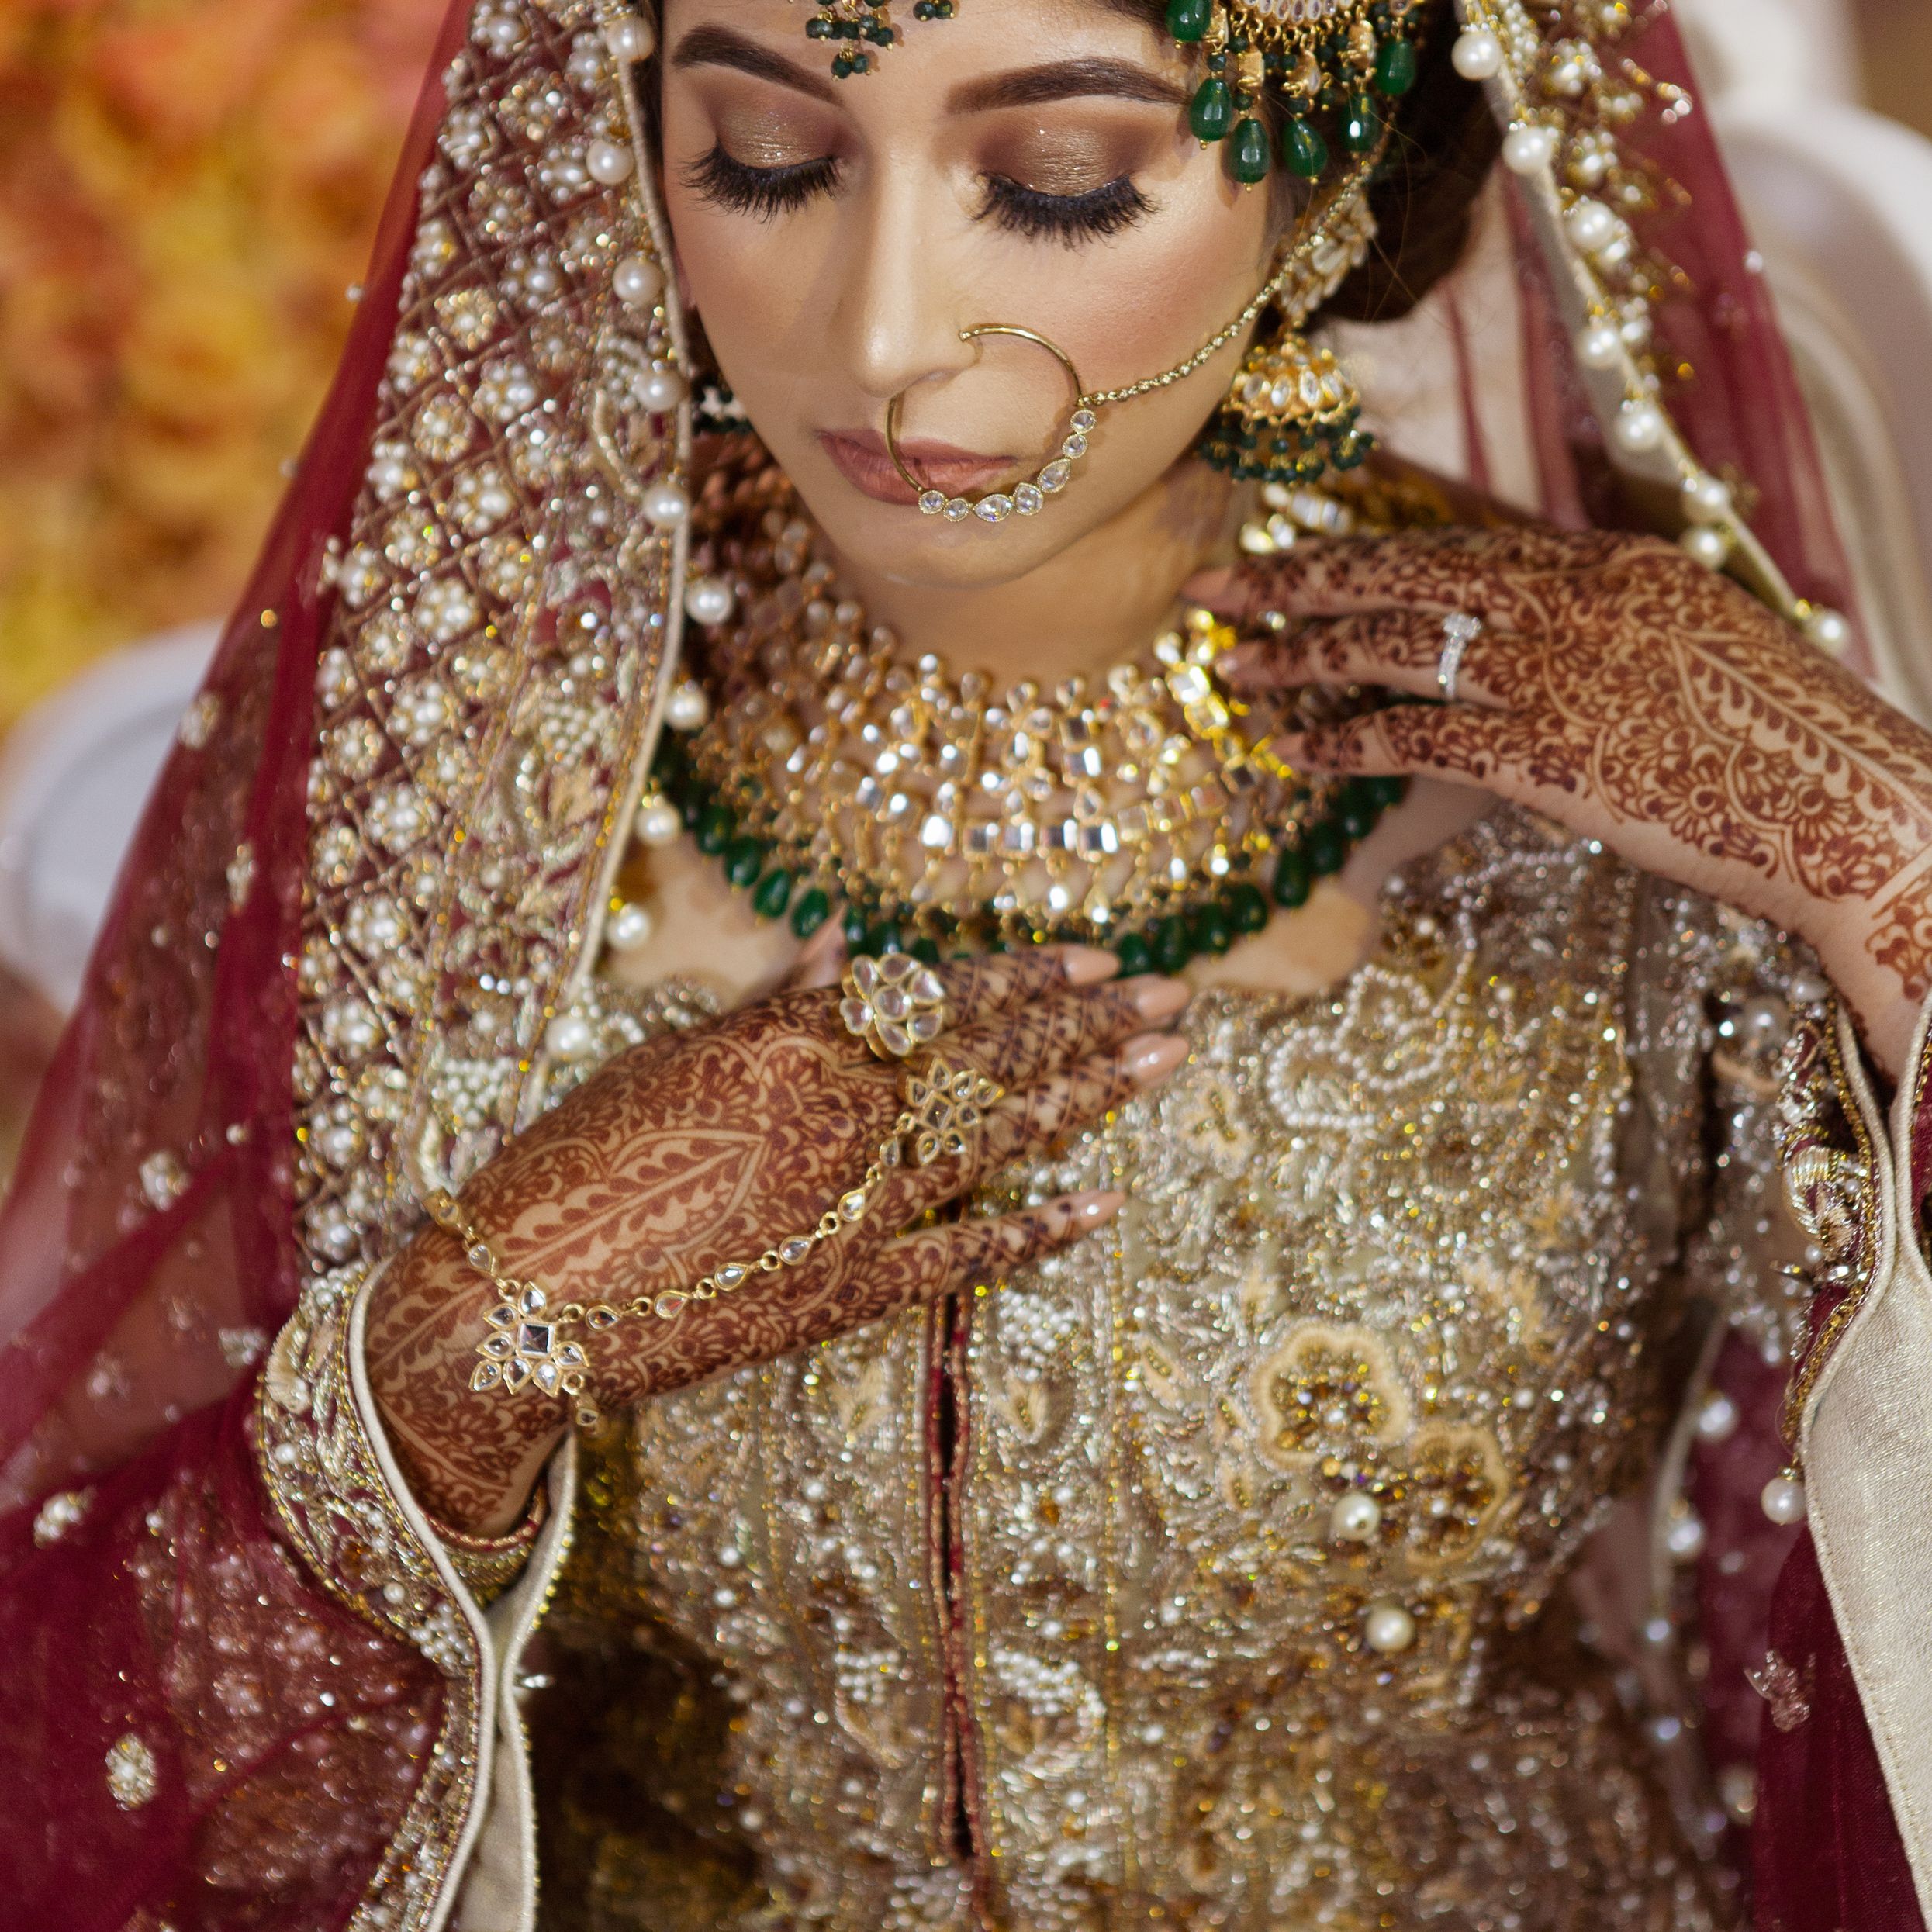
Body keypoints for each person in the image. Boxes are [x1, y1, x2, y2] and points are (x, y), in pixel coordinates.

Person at [3, 0, 1931, 1926]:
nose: (879, 334)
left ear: (1329, 177)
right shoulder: (472, 769)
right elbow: (95, 1701)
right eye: (764, 157)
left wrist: (1884, 852)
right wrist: (448, 1367)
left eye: (1056, 182)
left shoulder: (1622, 751)